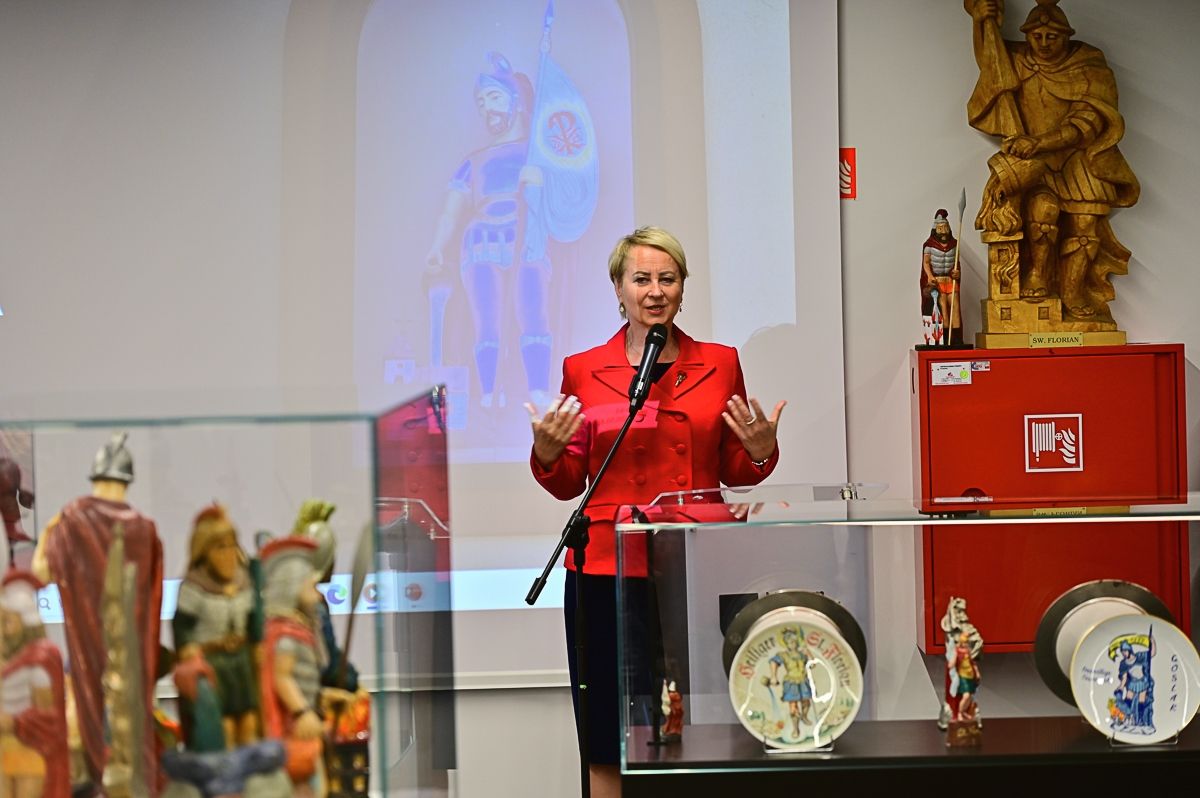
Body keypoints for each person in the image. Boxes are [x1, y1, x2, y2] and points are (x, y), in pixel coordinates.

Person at [525, 226, 785, 798]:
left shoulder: (720, 362)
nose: (655, 290)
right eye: (641, 278)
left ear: (683, 288)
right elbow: (571, 481)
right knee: (608, 732)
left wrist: (759, 450)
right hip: (606, 570)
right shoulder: (583, 368)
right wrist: (547, 454)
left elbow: (734, 468)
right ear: (619, 289)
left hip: (701, 566)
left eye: (667, 278)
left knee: (707, 723)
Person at [965, 0, 1139, 319]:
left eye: (1052, 37)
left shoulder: (1088, 64)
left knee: (1085, 226)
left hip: (1078, 158)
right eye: (1037, 36)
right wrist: (981, 20)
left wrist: (1040, 142)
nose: (1043, 43)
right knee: (1042, 212)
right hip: (1035, 163)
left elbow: (1086, 122)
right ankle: (1039, 275)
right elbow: (991, 64)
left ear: (1066, 36)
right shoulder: (1018, 59)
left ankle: (1073, 290)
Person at [30, 432, 164, 796]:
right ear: (127, 481)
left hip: (88, 646)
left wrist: (48, 532)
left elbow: (40, 573)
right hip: (131, 649)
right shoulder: (145, 528)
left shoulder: (72, 519)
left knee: (89, 709)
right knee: (130, 717)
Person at [426, 51, 552, 410]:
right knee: (486, 316)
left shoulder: (536, 153)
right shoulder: (473, 161)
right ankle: (488, 391)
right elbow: (450, 212)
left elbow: (563, 200)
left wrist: (539, 182)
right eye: (481, 102)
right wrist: (437, 246)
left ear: (516, 101)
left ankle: (537, 389)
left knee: (532, 309)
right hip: (481, 239)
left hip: (525, 235)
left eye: (494, 97)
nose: (487, 108)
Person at [172, 503, 261, 750]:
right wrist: (187, 647)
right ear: (204, 550)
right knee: (224, 727)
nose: (228, 554)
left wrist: (257, 642)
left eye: (232, 545)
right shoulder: (195, 586)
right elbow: (182, 626)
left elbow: (253, 619)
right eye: (220, 547)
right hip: (213, 666)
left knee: (249, 722)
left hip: (241, 663)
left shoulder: (244, 580)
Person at [0, 568, 70, 798]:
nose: (2, 631)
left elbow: (49, 718)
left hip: (28, 752)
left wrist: (14, 722)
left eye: (7, 623)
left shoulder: (39, 661)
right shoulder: (9, 660)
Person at [920, 209, 961, 345]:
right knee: (943, 307)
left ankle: (956, 338)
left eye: (945, 227)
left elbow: (956, 263)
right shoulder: (929, 246)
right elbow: (926, 263)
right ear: (935, 229)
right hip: (938, 281)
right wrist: (929, 276)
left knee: (955, 306)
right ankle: (945, 337)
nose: (943, 231)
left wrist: (957, 273)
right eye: (940, 228)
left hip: (950, 281)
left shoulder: (955, 245)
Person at [768, 627, 813, 740]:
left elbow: (813, 665)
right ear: (786, 643)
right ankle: (795, 728)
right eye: (790, 642)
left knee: (806, 703)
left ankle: (804, 716)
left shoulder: (802, 654)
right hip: (791, 682)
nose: (793, 644)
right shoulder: (783, 655)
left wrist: (809, 654)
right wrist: (773, 676)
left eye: (794, 641)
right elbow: (773, 662)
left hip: (803, 681)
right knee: (793, 707)